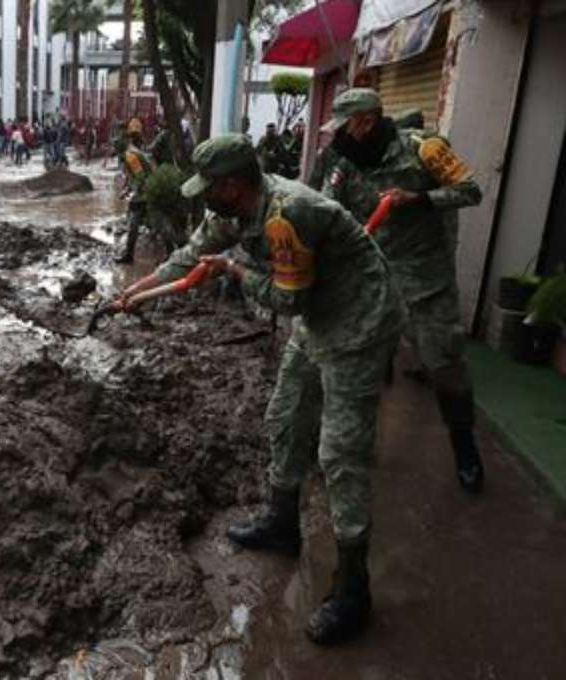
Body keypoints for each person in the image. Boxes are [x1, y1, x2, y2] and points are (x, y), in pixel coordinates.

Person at [114, 134, 402, 645]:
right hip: (318, 317)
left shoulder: (286, 214)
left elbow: (285, 302)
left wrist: (234, 270)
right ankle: (281, 523)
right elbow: (192, 252)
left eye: (209, 186)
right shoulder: (232, 209)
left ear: (232, 184)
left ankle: (354, 590)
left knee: (339, 454)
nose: (202, 195)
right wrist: (135, 292)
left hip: (359, 321)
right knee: (286, 415)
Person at [316, 88, 485, 492]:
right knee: (365, 368)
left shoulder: (422, 150)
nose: (336, 135)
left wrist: (419, 198)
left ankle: (465, 447)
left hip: (425, 281)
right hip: (371, 279)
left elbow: (471, 190)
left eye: (344, 126)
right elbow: (326, 206)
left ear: (367, 122)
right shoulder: (342, 159)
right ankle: (361, 446)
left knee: (443, 364)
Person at [114, 118, 154, 264]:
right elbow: (132, 176)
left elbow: (140, 177)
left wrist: (131, 193)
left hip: (144, 193)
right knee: (157, 223)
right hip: (147, 191)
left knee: (134, 224)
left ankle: (129, 255)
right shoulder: (130, 153)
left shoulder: (130, 155)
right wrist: (126, 188)